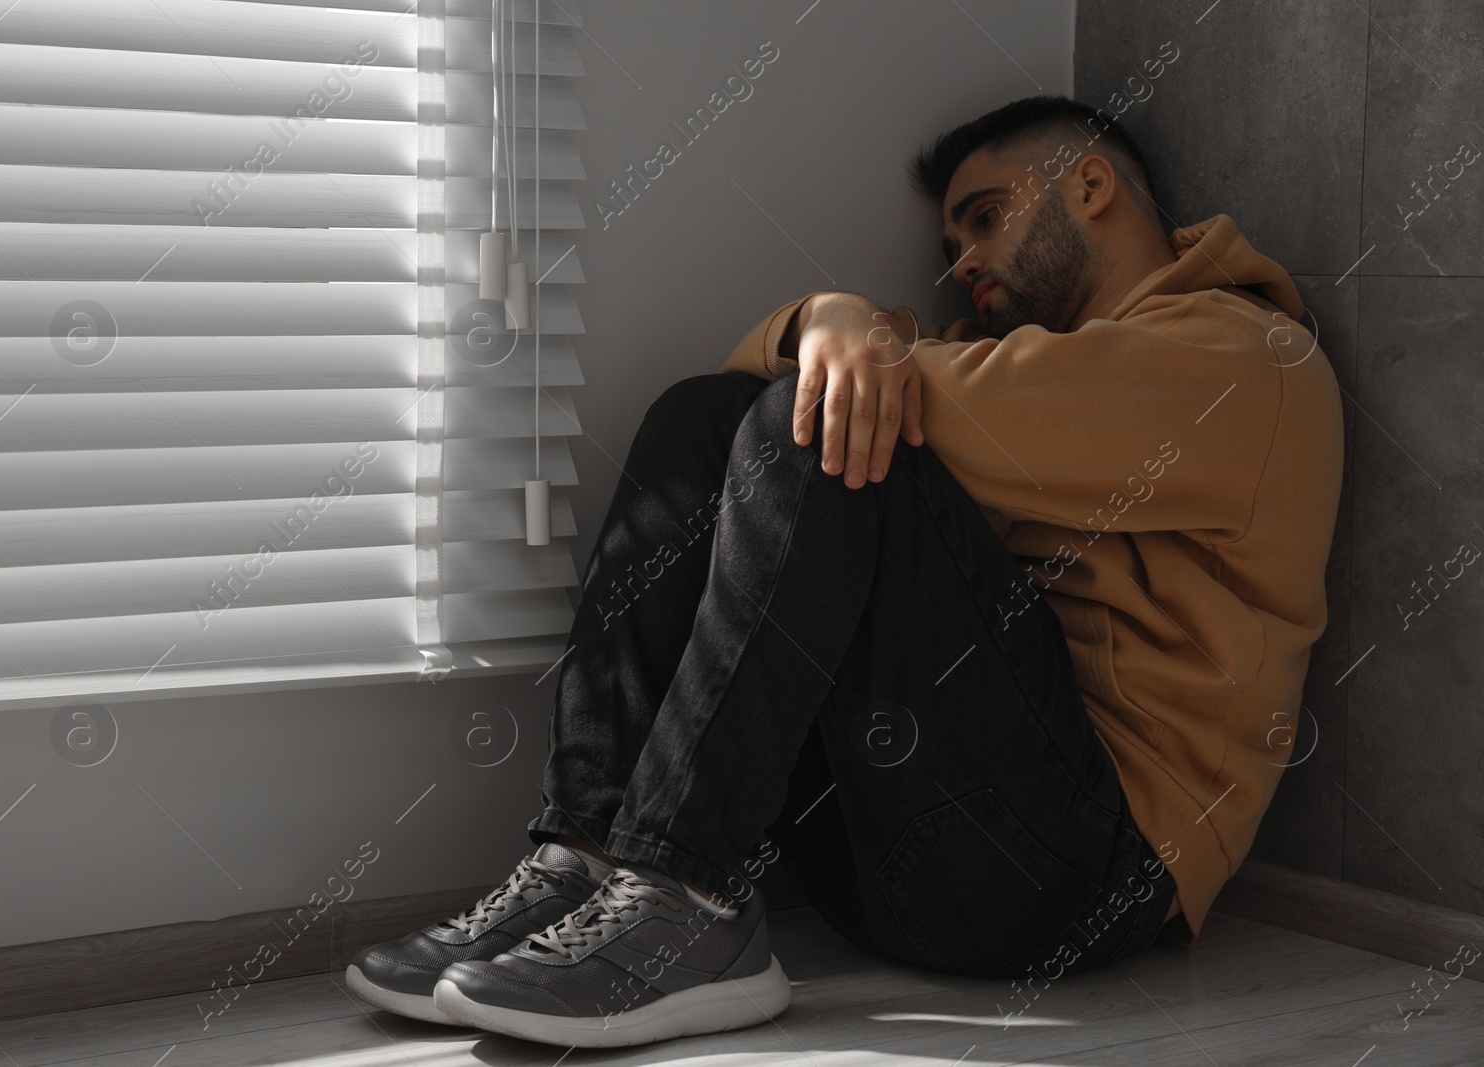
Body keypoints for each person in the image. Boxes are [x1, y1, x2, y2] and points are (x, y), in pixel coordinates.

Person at [345, 94, 1343, 1048]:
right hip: (893, 850)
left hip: (1075, 877)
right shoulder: (1019, 358)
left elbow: (869, 396)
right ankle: (590, 861)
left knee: (815, 419)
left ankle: (682, 895)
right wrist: (832, 316)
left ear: (1088, 186)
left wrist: (836, 326)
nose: (965, 267)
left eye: (985, 219)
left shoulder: (1244, 360)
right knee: (701, 415)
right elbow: (767, 385)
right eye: (951, 247)